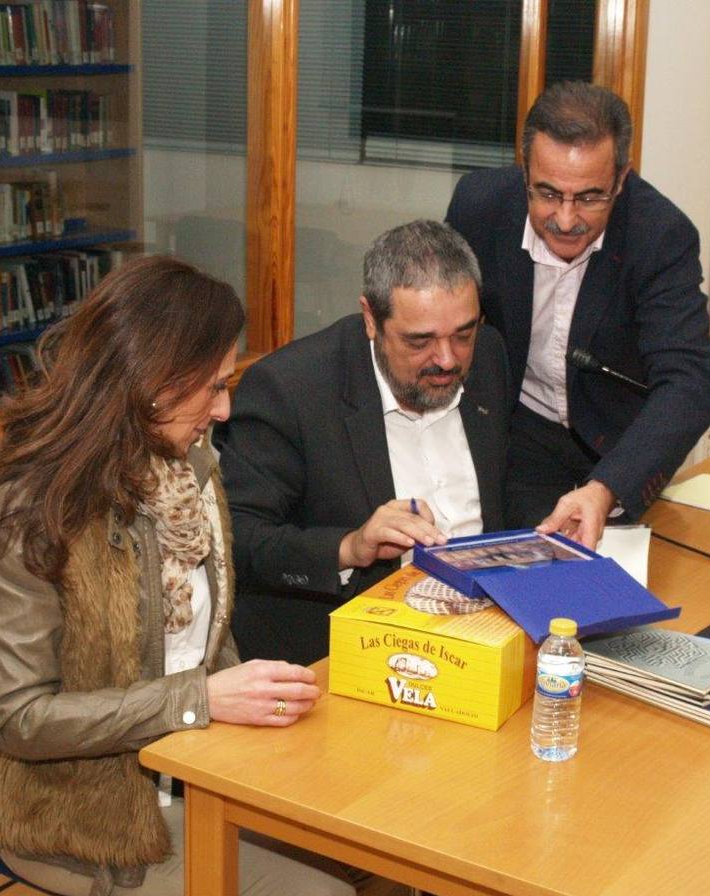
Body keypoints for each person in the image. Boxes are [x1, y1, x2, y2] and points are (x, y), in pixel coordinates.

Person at [0, 257, 354, 896]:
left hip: (193, 775)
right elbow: (18, 719)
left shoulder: (191, 468)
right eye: (213, 387)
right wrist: (201, 701)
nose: (224, 410)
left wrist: (247, 709)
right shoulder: (28, 512)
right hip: (81, 822)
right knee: (323, 895)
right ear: (153, 382)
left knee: (363, 835)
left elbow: (206, 639)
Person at [215, 220, 510, 665]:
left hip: (483, 636)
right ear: (371, 319)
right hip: (343, 657)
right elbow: (241, 541)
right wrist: (351, 546)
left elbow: (507, 484)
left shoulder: (488, 354)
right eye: (420, 341)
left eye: (463, 335)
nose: (447, 359)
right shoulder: (289, 389)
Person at [446, 81, 710, 550]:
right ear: (525, 172)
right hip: (519, 433)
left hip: (621, 444)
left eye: (591, 197)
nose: (567, 219)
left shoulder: (659, 236)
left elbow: (691, 380)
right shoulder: (480, 207)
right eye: (548, 193)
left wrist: (607, 487)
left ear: (621, 179)